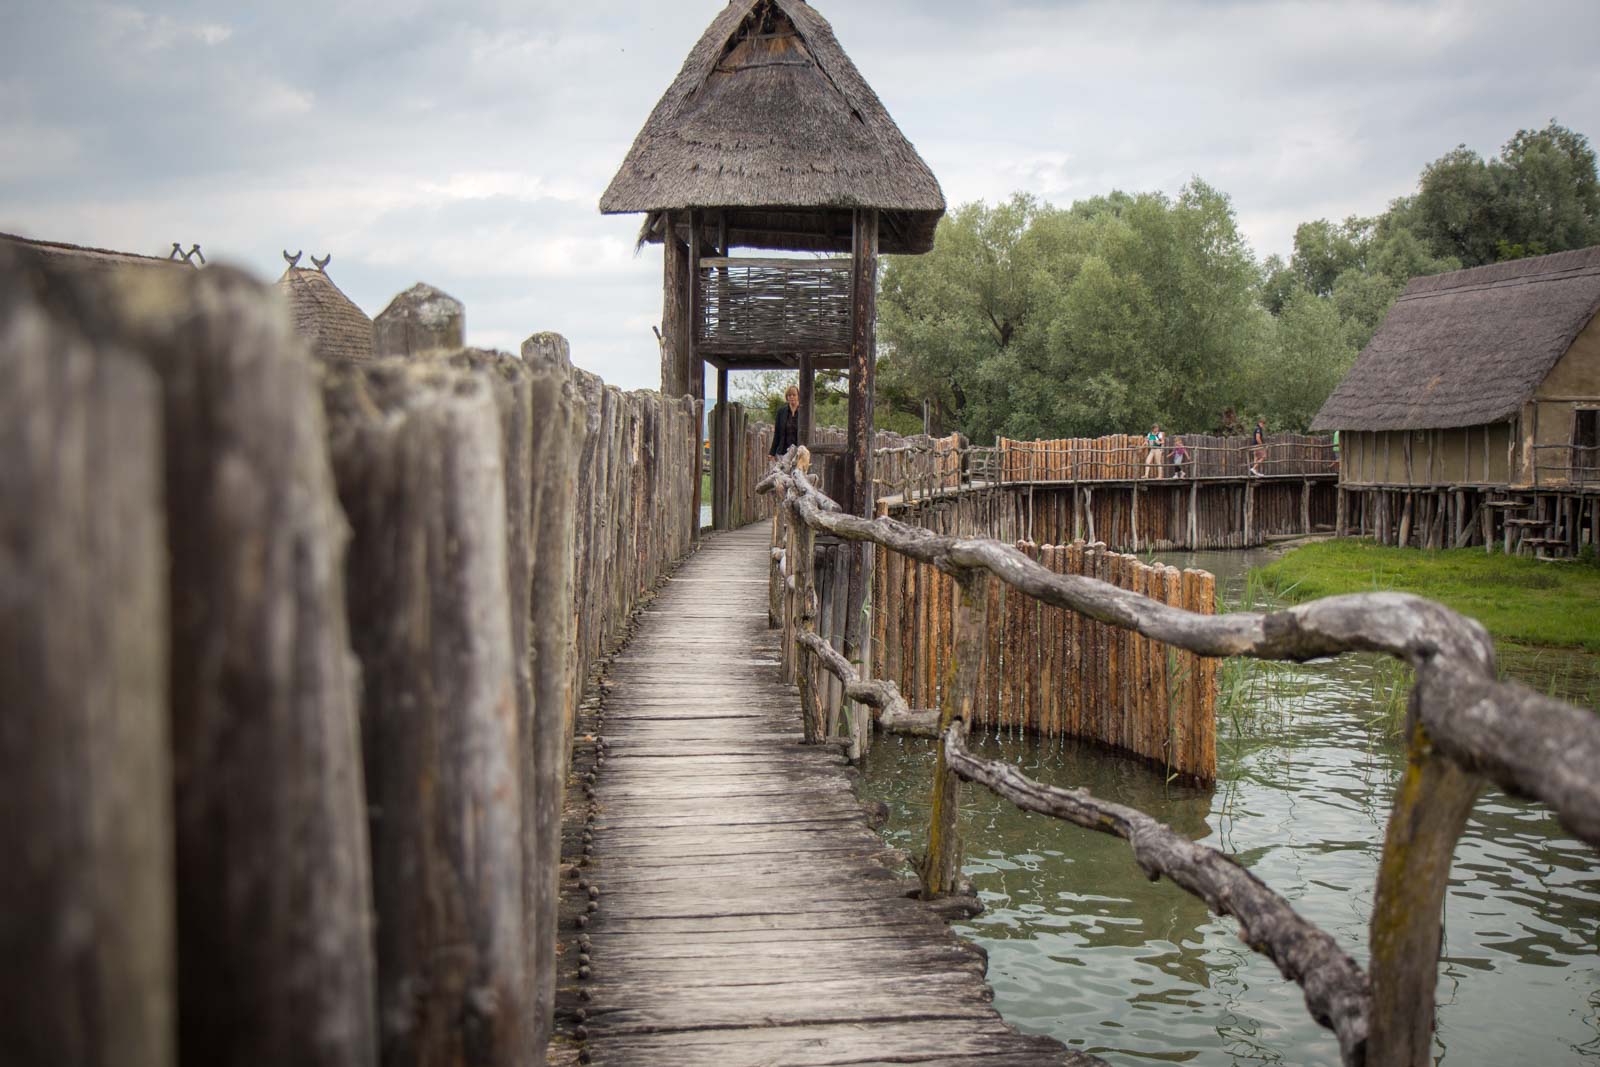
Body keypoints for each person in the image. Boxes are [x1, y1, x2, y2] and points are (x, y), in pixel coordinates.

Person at [769, 384, 801, 460]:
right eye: (789, 395)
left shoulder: (803, 412)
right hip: (783, 452)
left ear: (798, 396)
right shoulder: (781, 412)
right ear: (787, 397)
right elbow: (777, 434)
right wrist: (772, 453)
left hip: (799, 452)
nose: (792, 397)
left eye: (794, 395)